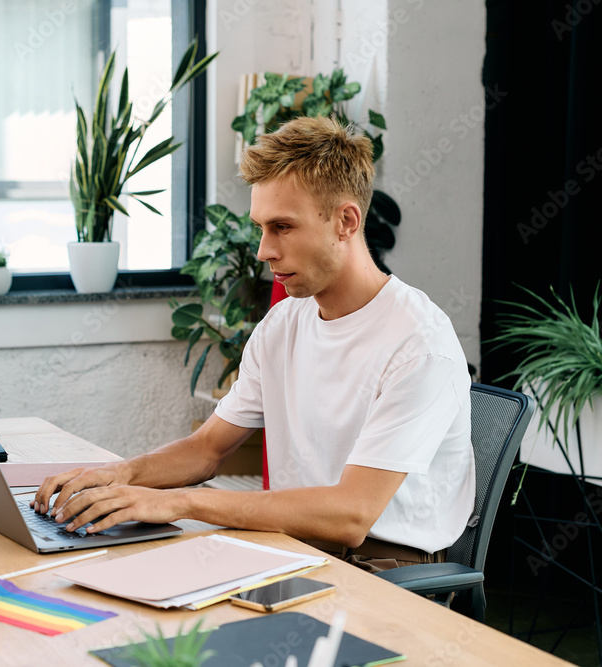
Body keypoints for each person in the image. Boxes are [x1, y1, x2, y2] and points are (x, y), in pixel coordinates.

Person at [32, 116, 475, 571]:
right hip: (290, 545)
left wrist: (181, 504)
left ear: (346, 221)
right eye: (261, 227)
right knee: (113, 575)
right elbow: (207, 450)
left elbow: (351, 515)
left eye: (282, 227)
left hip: (382, 568)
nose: (264, 250)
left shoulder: (419, 345)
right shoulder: (283, 323)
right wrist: (121, 474)